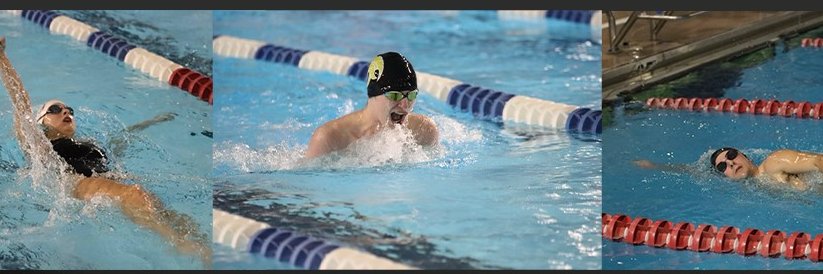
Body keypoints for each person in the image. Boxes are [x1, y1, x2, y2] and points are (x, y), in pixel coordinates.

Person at [0, 36, 210, 265]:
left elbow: (119, 141)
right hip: (76, 182)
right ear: (42, 122)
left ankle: (206, 250)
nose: (65, 112)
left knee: (165, 209)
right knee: (135, 195)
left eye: (69, 109)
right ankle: (185, 249)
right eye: (55, 109)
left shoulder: (87, 143)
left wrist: (151, 122)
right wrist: (2, 58)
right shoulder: (41, 145)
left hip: (106, 178)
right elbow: (21, 105)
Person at [305, 51, 439, 158]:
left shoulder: (423, 131)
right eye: (395, 95)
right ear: (374, 95)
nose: (405, 105)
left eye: (411, 95)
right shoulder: (329, 139)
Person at [634, 147, 823, 191]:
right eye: (723, 166)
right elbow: (693, 171)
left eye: (731, 156)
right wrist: (655, 166)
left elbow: (818, 160)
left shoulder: (774, 162)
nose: (730, 163)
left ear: (746, 157)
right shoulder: (754, 187)